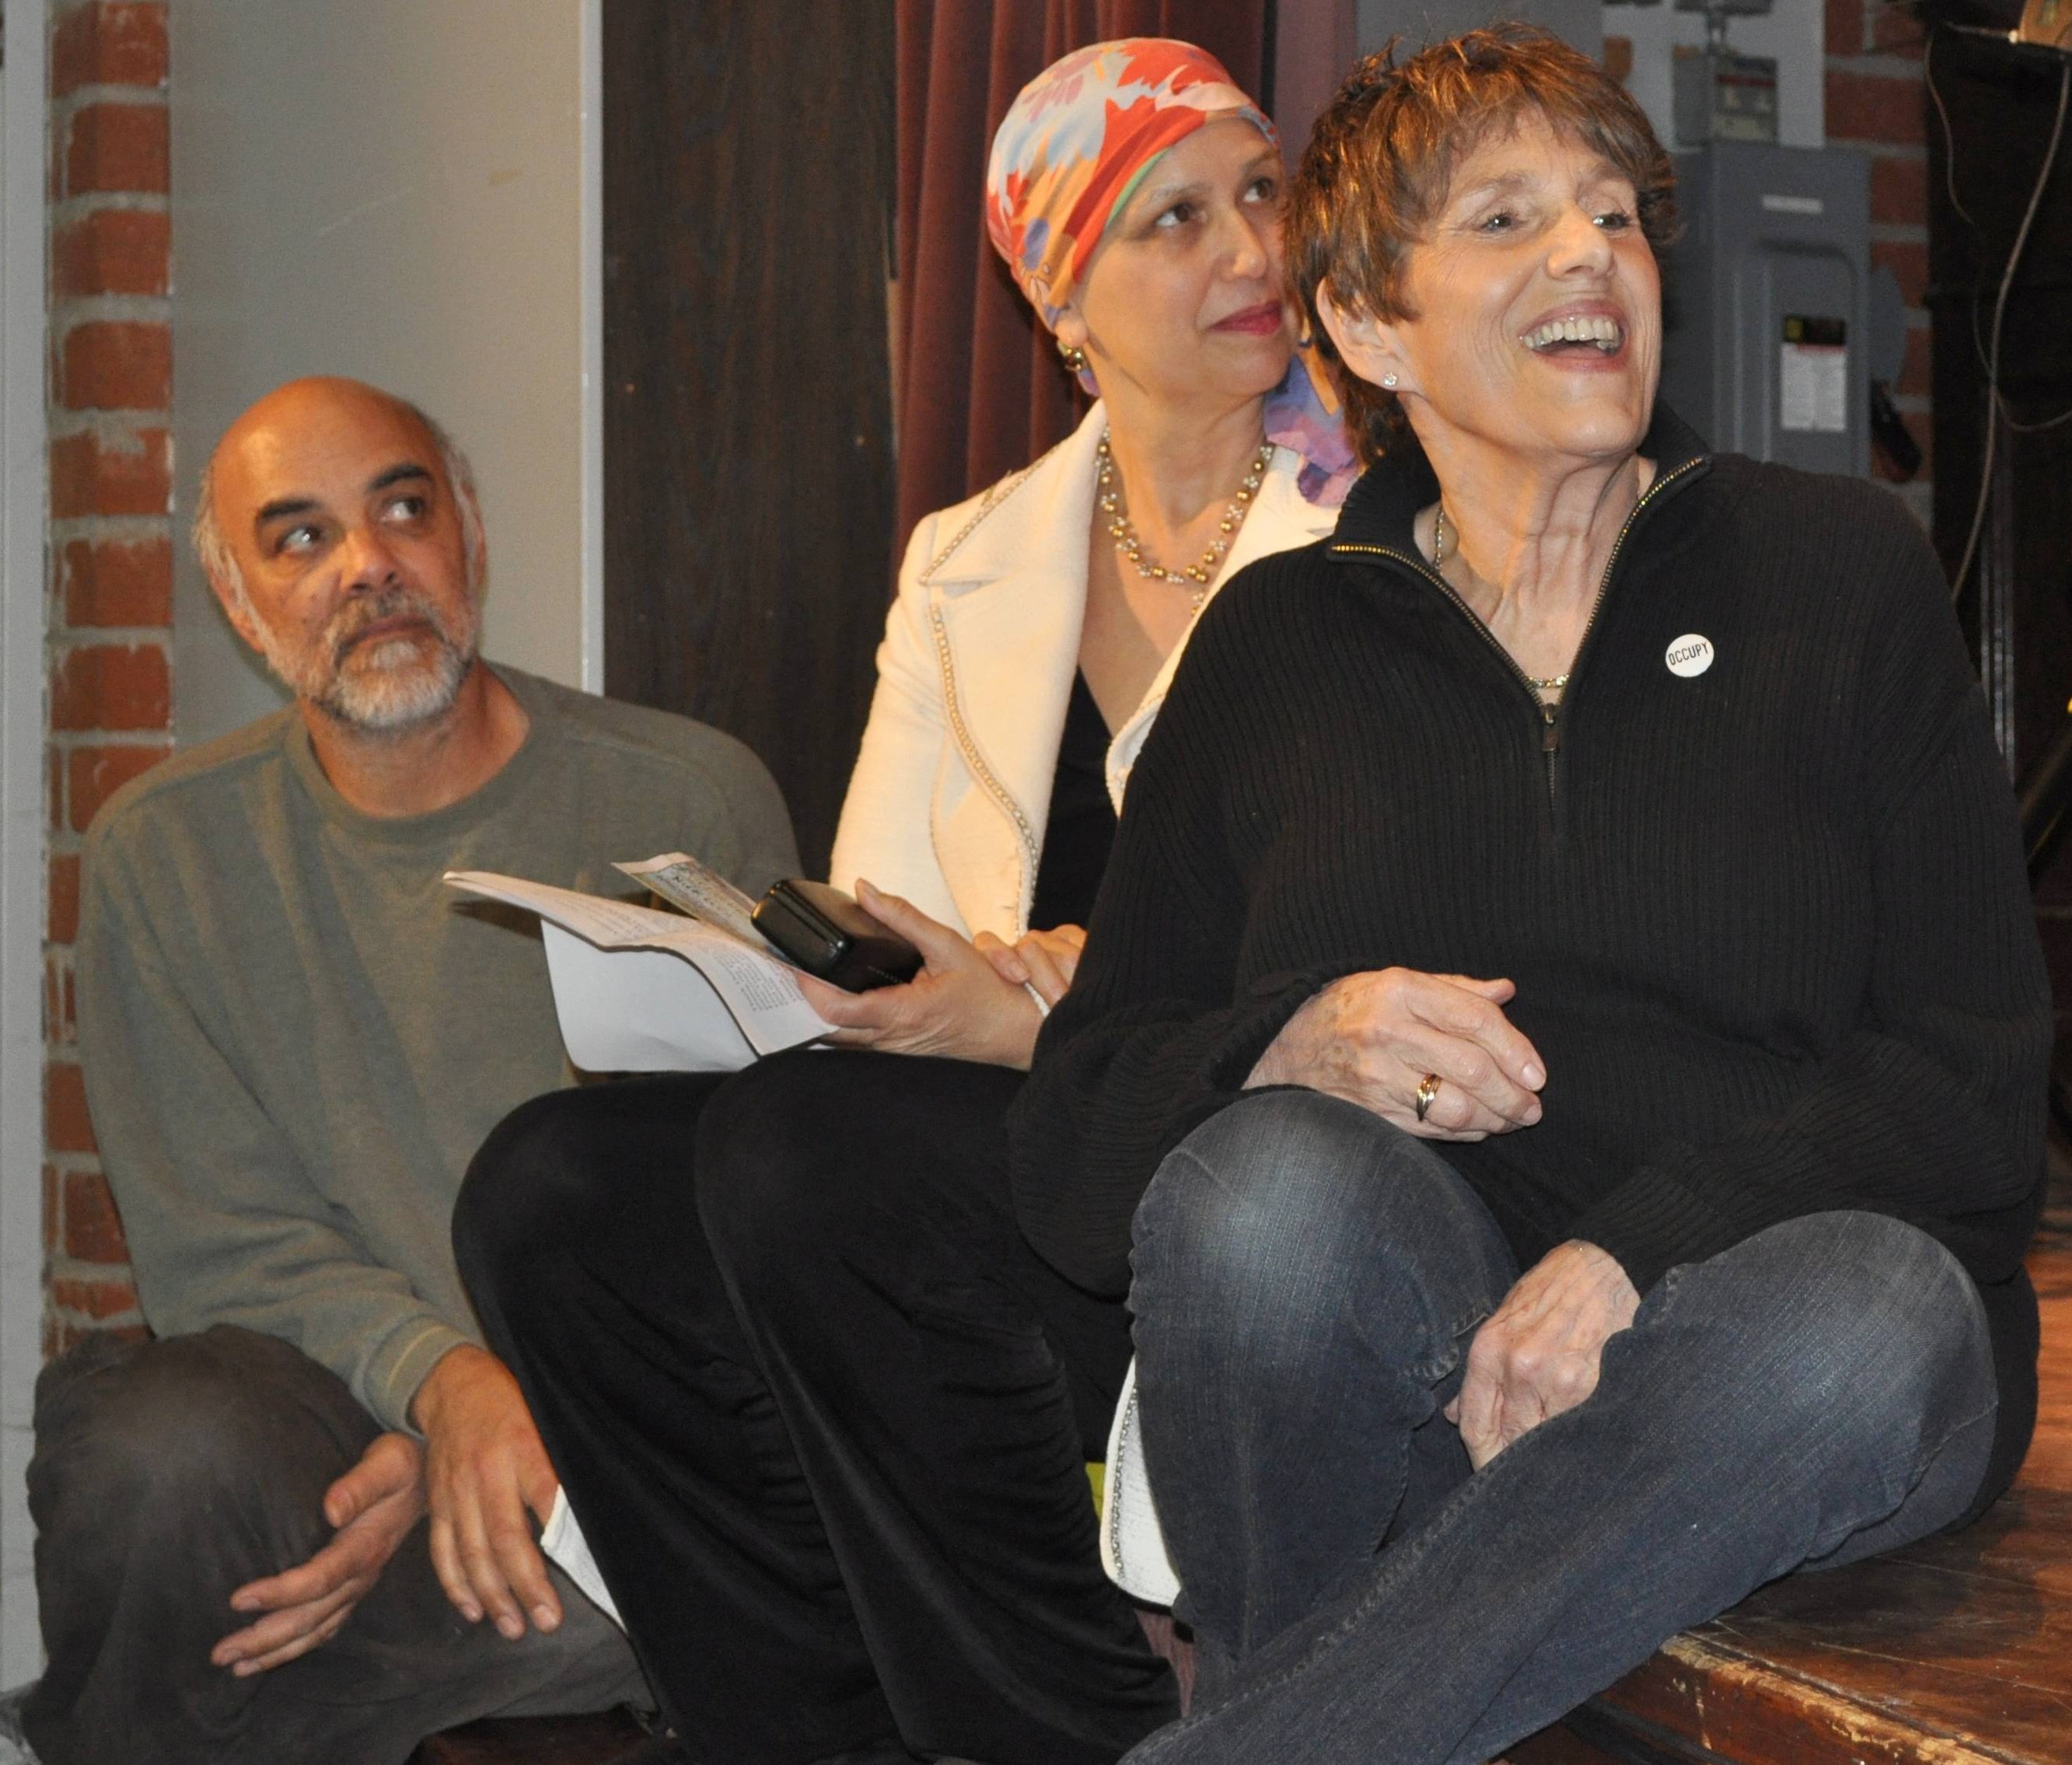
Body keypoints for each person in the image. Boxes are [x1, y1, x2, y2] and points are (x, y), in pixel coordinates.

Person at [1005, 26, 2052, 1765]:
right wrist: (1288, 1044)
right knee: (1258, 1199)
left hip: (1771, 1352)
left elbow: (1972, 1084)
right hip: (1431, 1359)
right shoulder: (1273, 651)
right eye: (1506, 220)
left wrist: (1635, 1253)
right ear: (1366, 325)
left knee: (1866, 1316)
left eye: (1615, 214)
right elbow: (1069, 1146)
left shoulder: (1837, 574)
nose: (1589, 253)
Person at [454, 40, 1350, 1765]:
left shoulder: (1373, 523)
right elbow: (890, 905)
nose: (1251, 249)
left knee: (807, 1158)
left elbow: (1342, 925)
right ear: (1060, 298)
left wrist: (1055, 987)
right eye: (1175, 217)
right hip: (971, 1129)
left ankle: (1064, 1735)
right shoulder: (969, 557)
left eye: (1261, 190)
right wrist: (807, 973)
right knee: (551, 1190)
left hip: (1216, 1141)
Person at [24, 376, 798, 1765]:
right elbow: (221, 1246)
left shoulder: (686, 800)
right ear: (239, 601)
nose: (367, 565)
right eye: (300, 537)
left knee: (708, 1546)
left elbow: (743, 1220)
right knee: (156, 1460)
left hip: (601, 1419)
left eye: (401, 509)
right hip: (332, 1412)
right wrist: (438, 1391)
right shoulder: (162, 852)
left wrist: (504, 1416)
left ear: (471, 536)